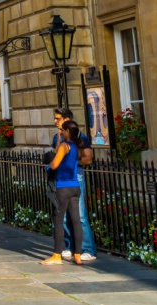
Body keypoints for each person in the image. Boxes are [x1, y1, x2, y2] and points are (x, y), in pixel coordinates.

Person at [53, 108, 96, 262]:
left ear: (67, 119)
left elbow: (88, 159)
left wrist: (71, 160)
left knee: (80, 214)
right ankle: (70, 246)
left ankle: (88, 249)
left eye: (58, 118)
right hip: (61, 179)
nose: (55, 121)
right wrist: (58, 142)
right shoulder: (57, 137)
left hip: (75, 176)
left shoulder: (81, 137)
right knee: (63, 216)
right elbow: (54, 156)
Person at [42, 120, 86, 266]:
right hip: (75, 187)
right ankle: (78, 255)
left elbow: (55, 164)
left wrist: (48, 164)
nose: (61, 131)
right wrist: (60, 141)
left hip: (62, 187)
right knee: (76, 221)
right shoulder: (77, 146)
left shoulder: (64, 146)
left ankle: (56, 255)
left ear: (67, 131)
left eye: (62, 130)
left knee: (58, 220)